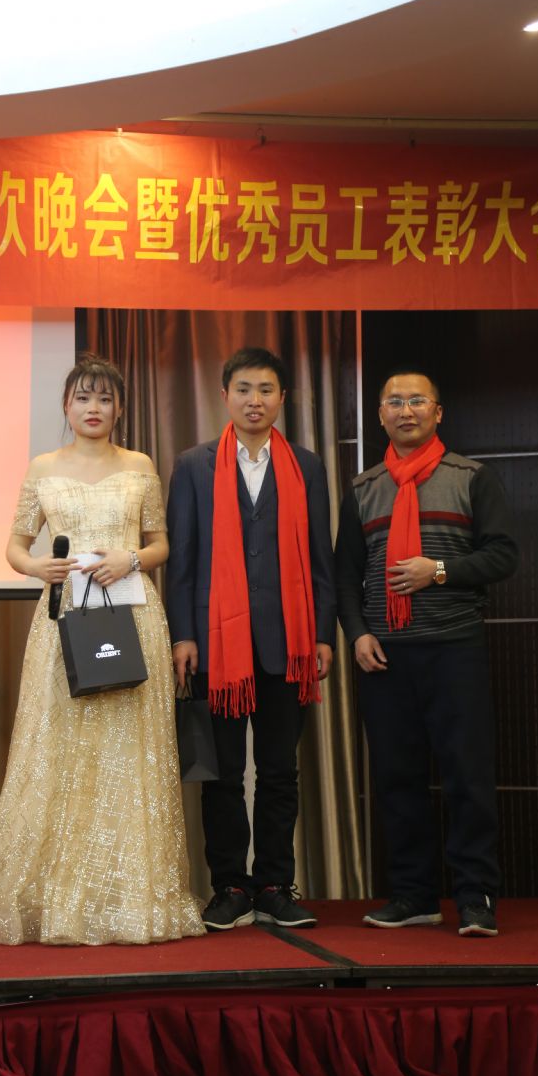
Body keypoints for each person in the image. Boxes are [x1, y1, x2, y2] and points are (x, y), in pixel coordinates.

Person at [0, 355, 204, 946]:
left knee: (130, 750)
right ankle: (57, 898)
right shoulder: (42, 466)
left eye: (104, 399)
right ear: (66, 407)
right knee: (58, 749)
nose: (94, 408)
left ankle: (130, 899)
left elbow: (161, 543)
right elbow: (15, 546)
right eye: (83, 398)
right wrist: (35, 566)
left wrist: (132, 557)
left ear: (120, 409)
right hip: (64, 617)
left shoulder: (140, 465)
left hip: (132, 613)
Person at [335, 370, 518, 937]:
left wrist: (437, 570)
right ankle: (413, 896)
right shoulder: (363, 488)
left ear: (438, 413)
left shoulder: (471, 477)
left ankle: (476, 897)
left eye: (417, 401)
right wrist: (357, 633)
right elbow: (345, 574)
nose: (405, 410)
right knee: (397, 779)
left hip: (454, 649)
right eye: (395, 402)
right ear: (381, 415)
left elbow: (503, 555)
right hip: (385, 657)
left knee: (467, 776)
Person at [166, 347, 337, 931]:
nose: (254, 400)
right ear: (225, 396)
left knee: (279, 773)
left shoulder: (306, 466)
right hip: (216, 644)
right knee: (221, 775)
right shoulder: (194, 465)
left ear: (282, 398)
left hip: (288, 642)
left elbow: (320, 558)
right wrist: (183, 635)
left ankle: (273, 884)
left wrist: (322, 634)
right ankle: (230, 886)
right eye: (243, 389)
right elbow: (182, 559)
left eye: (266, 390)